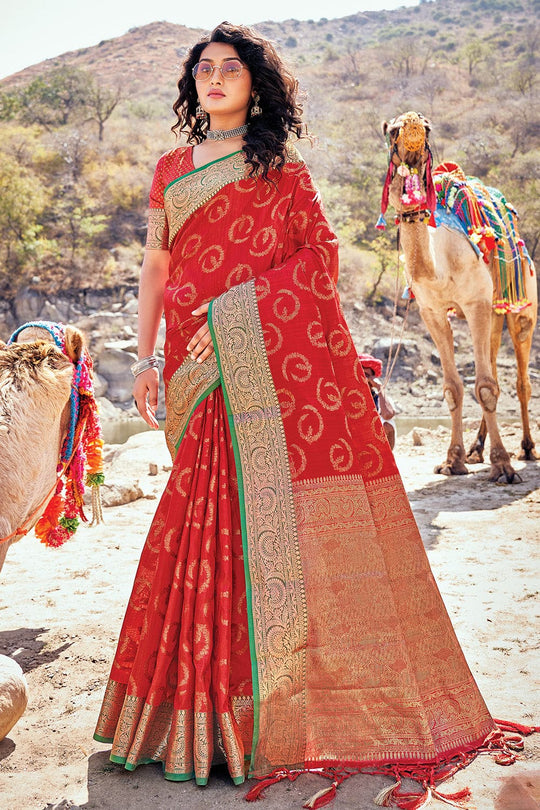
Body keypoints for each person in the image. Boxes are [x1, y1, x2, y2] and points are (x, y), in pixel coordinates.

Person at [94, 21, 529, 807]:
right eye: (205, 69)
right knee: (195, 520)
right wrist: (153, 356)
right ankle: (189, 719)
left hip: (262, 372)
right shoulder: (170, 172)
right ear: (193, 85)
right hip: (194, 367)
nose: (216, 77)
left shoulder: (282, 173)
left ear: (255, 86)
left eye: (231, 68)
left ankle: (265, 723)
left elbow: (316, 262)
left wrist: (235, 313)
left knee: (263, 530)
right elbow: (157, 266)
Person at [358, 354, 397, 450]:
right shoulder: (348, 396)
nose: (364, 379)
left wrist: (380, 388)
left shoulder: (379, 398)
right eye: (361, 375)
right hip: (357, 440)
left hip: (374, 441)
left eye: (367, 376)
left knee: (387, 425)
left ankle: (386, 461)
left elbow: (388, 415)